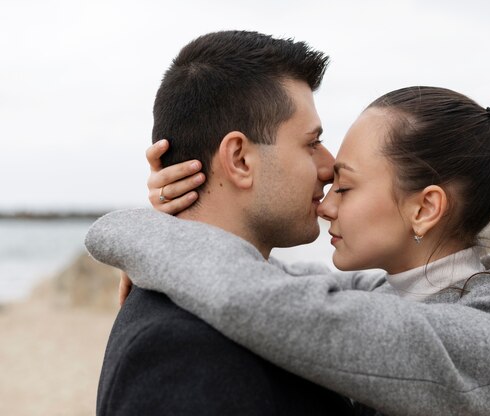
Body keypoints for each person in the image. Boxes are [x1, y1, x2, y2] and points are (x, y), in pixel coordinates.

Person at [87, 86, 490, 416]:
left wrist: (142, 235)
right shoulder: (399, 294)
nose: (326, 205)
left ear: (425, 209)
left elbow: (261, 303)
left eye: (345, 188)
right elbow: (264, 277)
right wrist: (188, 214)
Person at [94, 30, 357, 415]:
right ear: (239, 159)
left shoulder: (238, 305)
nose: (329, 166)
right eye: (311, 143)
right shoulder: (180, 350)